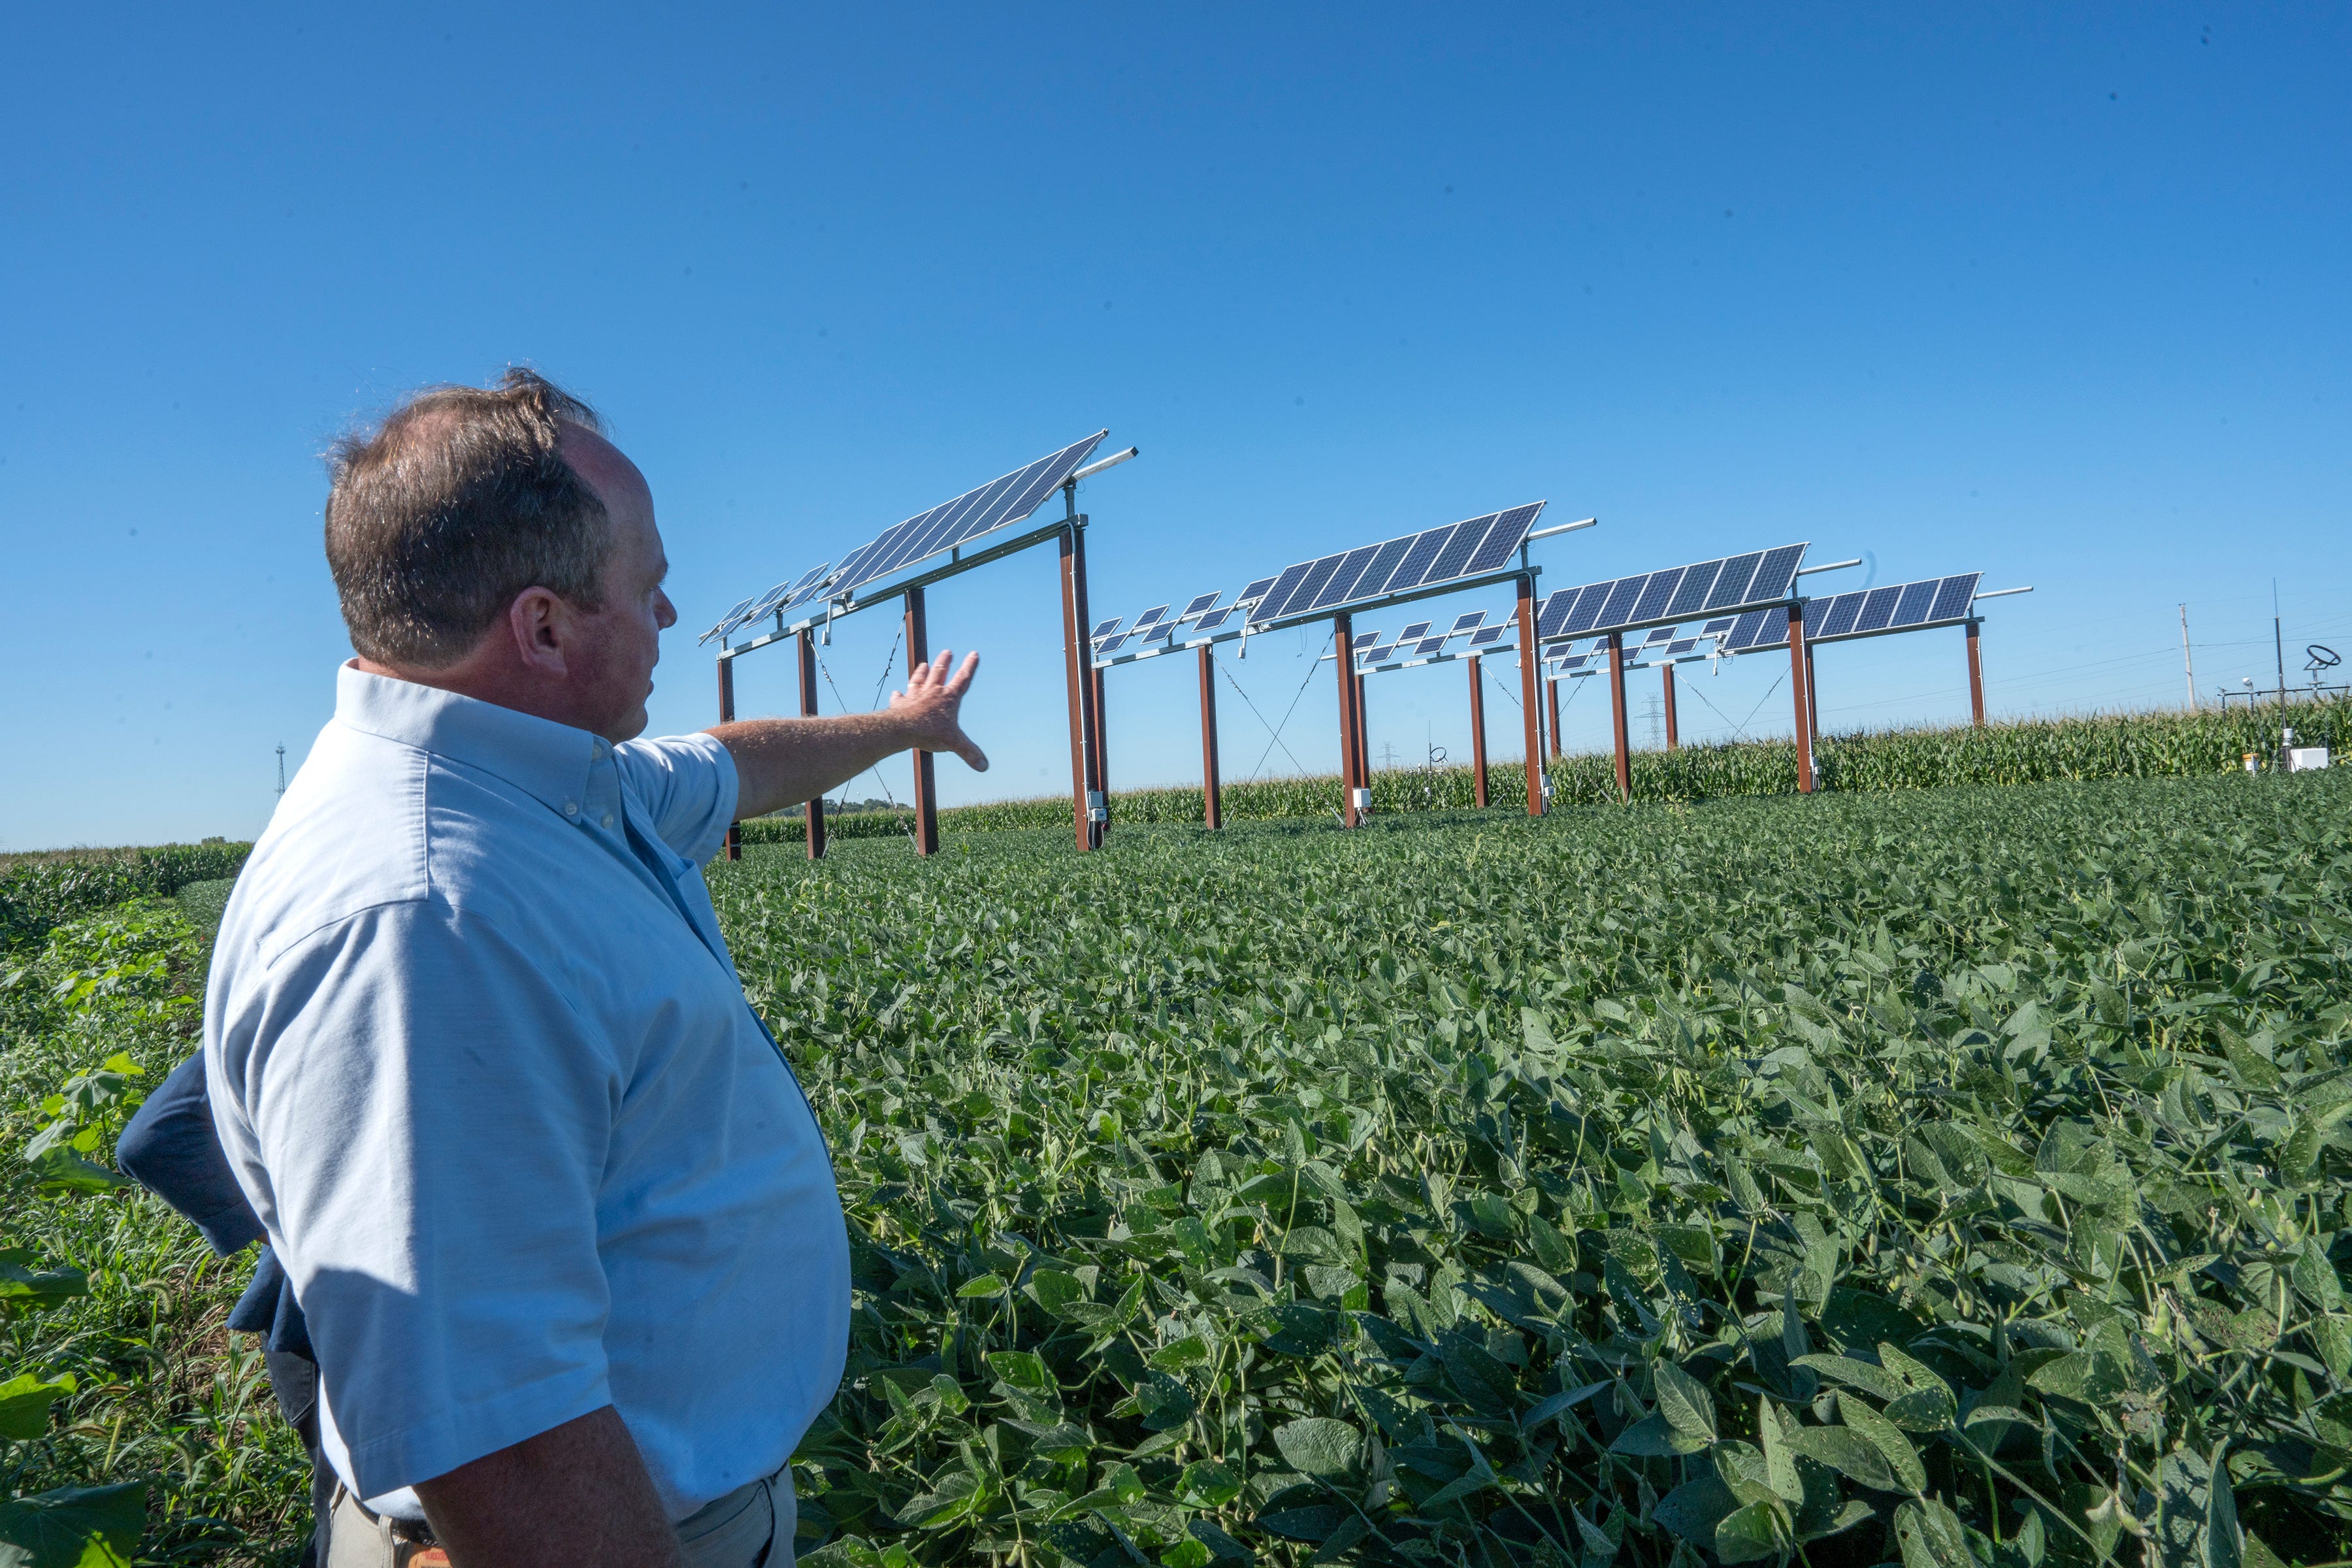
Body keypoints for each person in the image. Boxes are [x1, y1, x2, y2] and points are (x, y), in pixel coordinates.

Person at [203, 369, 989, 1568]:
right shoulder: (426, 920)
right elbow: (501, 1438)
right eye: (651, 585)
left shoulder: (543, 786)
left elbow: (731, 765)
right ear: (546, 627)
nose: (672, 617)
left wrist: (903, 727)